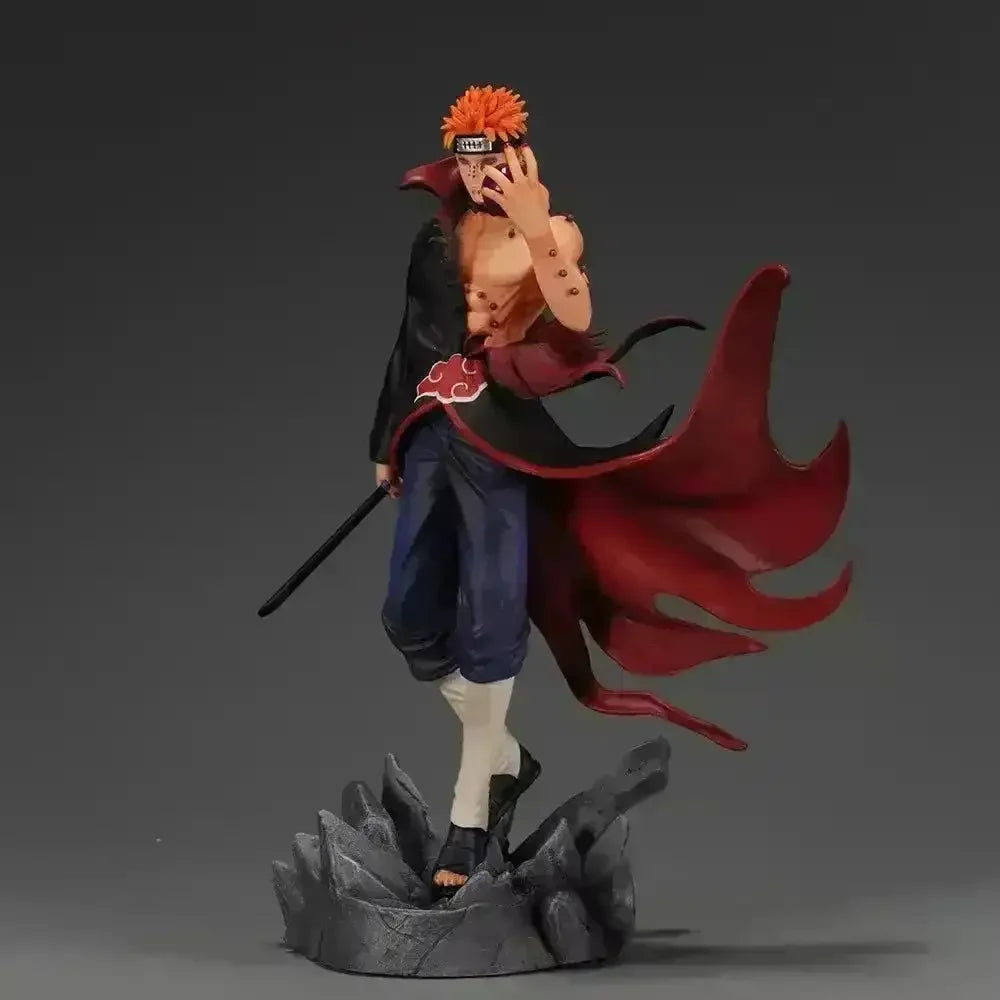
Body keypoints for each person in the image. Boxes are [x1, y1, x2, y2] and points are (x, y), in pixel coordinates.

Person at [368, 85, 852, 893]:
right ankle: (503, 755)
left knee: (492, 612)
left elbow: (574, 312)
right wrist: (383, 440)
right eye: (466, 158)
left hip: (502, 442)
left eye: (492, 157)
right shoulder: (437, 238)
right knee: (408, 614)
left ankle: (469, 816)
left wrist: (534, 228)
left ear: (518, 155)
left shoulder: (551, 233)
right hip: (429, 430)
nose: (479, 173)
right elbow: (409, 342)